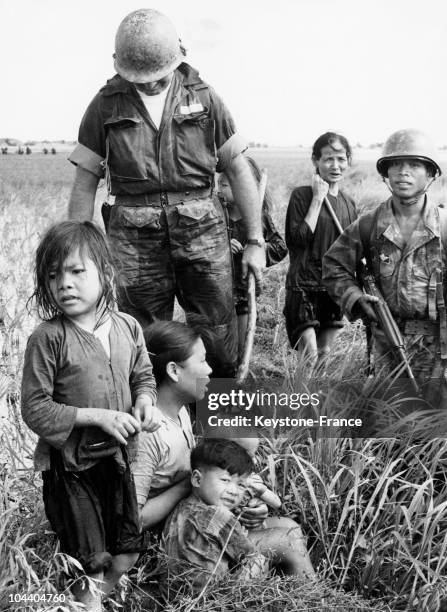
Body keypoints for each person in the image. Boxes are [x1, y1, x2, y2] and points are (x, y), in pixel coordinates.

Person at [67, 8, 265, 378]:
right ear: (120, 66)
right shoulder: (105, 105)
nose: (152, 84)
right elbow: (85, 181)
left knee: (218, 333)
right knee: (142, 338)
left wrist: (255, 240)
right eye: (142, 78)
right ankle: (156, 426)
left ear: (177, 57)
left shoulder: (205, 99)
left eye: (160, 76)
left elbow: (238, 168)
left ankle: (219, 426)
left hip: (202, 231)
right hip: (133, 239)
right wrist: (75, 253)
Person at [21, 221, 160, 612]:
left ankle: (90, 603)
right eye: (53, 276)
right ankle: (88, 600)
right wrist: (97, 415)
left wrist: (145, 400)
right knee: (90, 563)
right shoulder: (48, 338)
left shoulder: (128, 326)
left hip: (118, 460)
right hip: (71, 470)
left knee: (127, 551)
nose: (64, 284)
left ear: (106, 273)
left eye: (77, 271)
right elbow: (34, 408)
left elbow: (143, 376)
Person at [323, 129, 446, 407]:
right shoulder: (368, 226)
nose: (403, 172)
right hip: (386, 343)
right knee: (388, 423)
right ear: (386, 173)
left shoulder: (444, 226)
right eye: (396, 165)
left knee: (437, 428)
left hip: (439, 346)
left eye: (414, 165)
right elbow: (333, 266)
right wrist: (355, 298)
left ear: (430, 174)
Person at [132, 321, 268, 534]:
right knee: (289, 538)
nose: (209, 369)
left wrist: (243, 500)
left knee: (286, 530)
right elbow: (135, 519)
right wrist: (194, 481)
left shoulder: (181, 411)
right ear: (174, 371)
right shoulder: (147, 432)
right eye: (203, 360)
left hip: (194, 519)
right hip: (175, 537)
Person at [159, 439, 268, 597]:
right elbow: (249, 556)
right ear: (197, 479)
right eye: (225, 480)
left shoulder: (180, 507)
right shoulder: (219, 515)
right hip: (210, 601)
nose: (234, 491)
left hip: (174, 599)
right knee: (260, 560)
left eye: (241, 485)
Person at [284, 132, 357, 366]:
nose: (335, 165)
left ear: (348, 161)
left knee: (325, 355)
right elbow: (297, 241)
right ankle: (302, 399)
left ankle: (317, 401)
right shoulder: (302, 196)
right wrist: (317, 198)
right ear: (315, 161)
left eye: (341, 159)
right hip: (304, 285)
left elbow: (351, 250)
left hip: (333, 289)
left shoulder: (349, 204)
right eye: (328, 159)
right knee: (310, 356)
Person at [218, 156, 287, 357]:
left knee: (241, 349)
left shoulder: (260, 219)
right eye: (219, 182)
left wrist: (258, 248)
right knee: (219, 349)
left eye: (227, 182)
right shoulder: (216, 214)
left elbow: (280, 247)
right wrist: (221, 246)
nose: (221, 186)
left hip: (244, 294)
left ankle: (234, 384)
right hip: (217, 294)